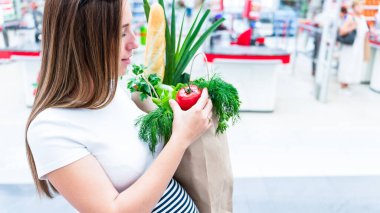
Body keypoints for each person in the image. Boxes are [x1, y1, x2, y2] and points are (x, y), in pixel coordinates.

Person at [26, 0, 213, 212]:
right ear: (84, 40)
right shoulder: (50, 129)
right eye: (122, 33)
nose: (134, 43)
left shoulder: (112, 88)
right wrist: (181, 138)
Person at [337, 1, 369, 93]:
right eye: (359, 6)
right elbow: (342, 31)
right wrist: (352, 27)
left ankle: (347, 85)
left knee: (354, 66)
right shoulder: (351, 18)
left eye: (362, 6)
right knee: (347, 65)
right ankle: (342, 86)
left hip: (359, 47)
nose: (361, 8)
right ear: (354, 7)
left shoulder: (363, 18)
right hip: (350, 46)